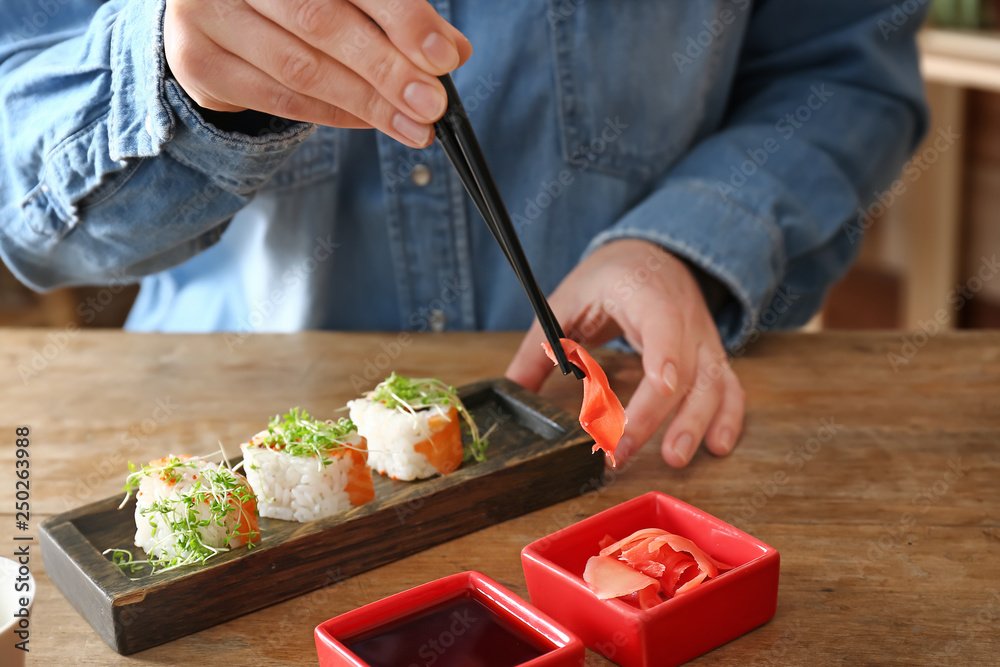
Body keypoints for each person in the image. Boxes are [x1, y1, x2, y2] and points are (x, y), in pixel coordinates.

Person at [0, 0, 927, 468]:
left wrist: (686, 240)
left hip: (633, 438)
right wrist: (171, 73)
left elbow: (845, 72)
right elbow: (25, 218)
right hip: (222, 436)